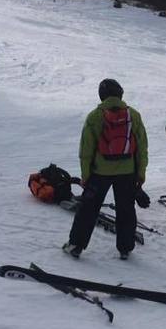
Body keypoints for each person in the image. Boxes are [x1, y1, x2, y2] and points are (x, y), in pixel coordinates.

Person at [63, 79, 148, 260]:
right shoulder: (133, 115)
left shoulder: (95, 116)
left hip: (99, 172)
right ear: (120, 94)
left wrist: (86, 176)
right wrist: (140, 173)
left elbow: (86, 150)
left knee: (88, 209)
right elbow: (142, 147)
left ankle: (76, 245)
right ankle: (125, 249)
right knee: (126, 209)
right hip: (127, 172)